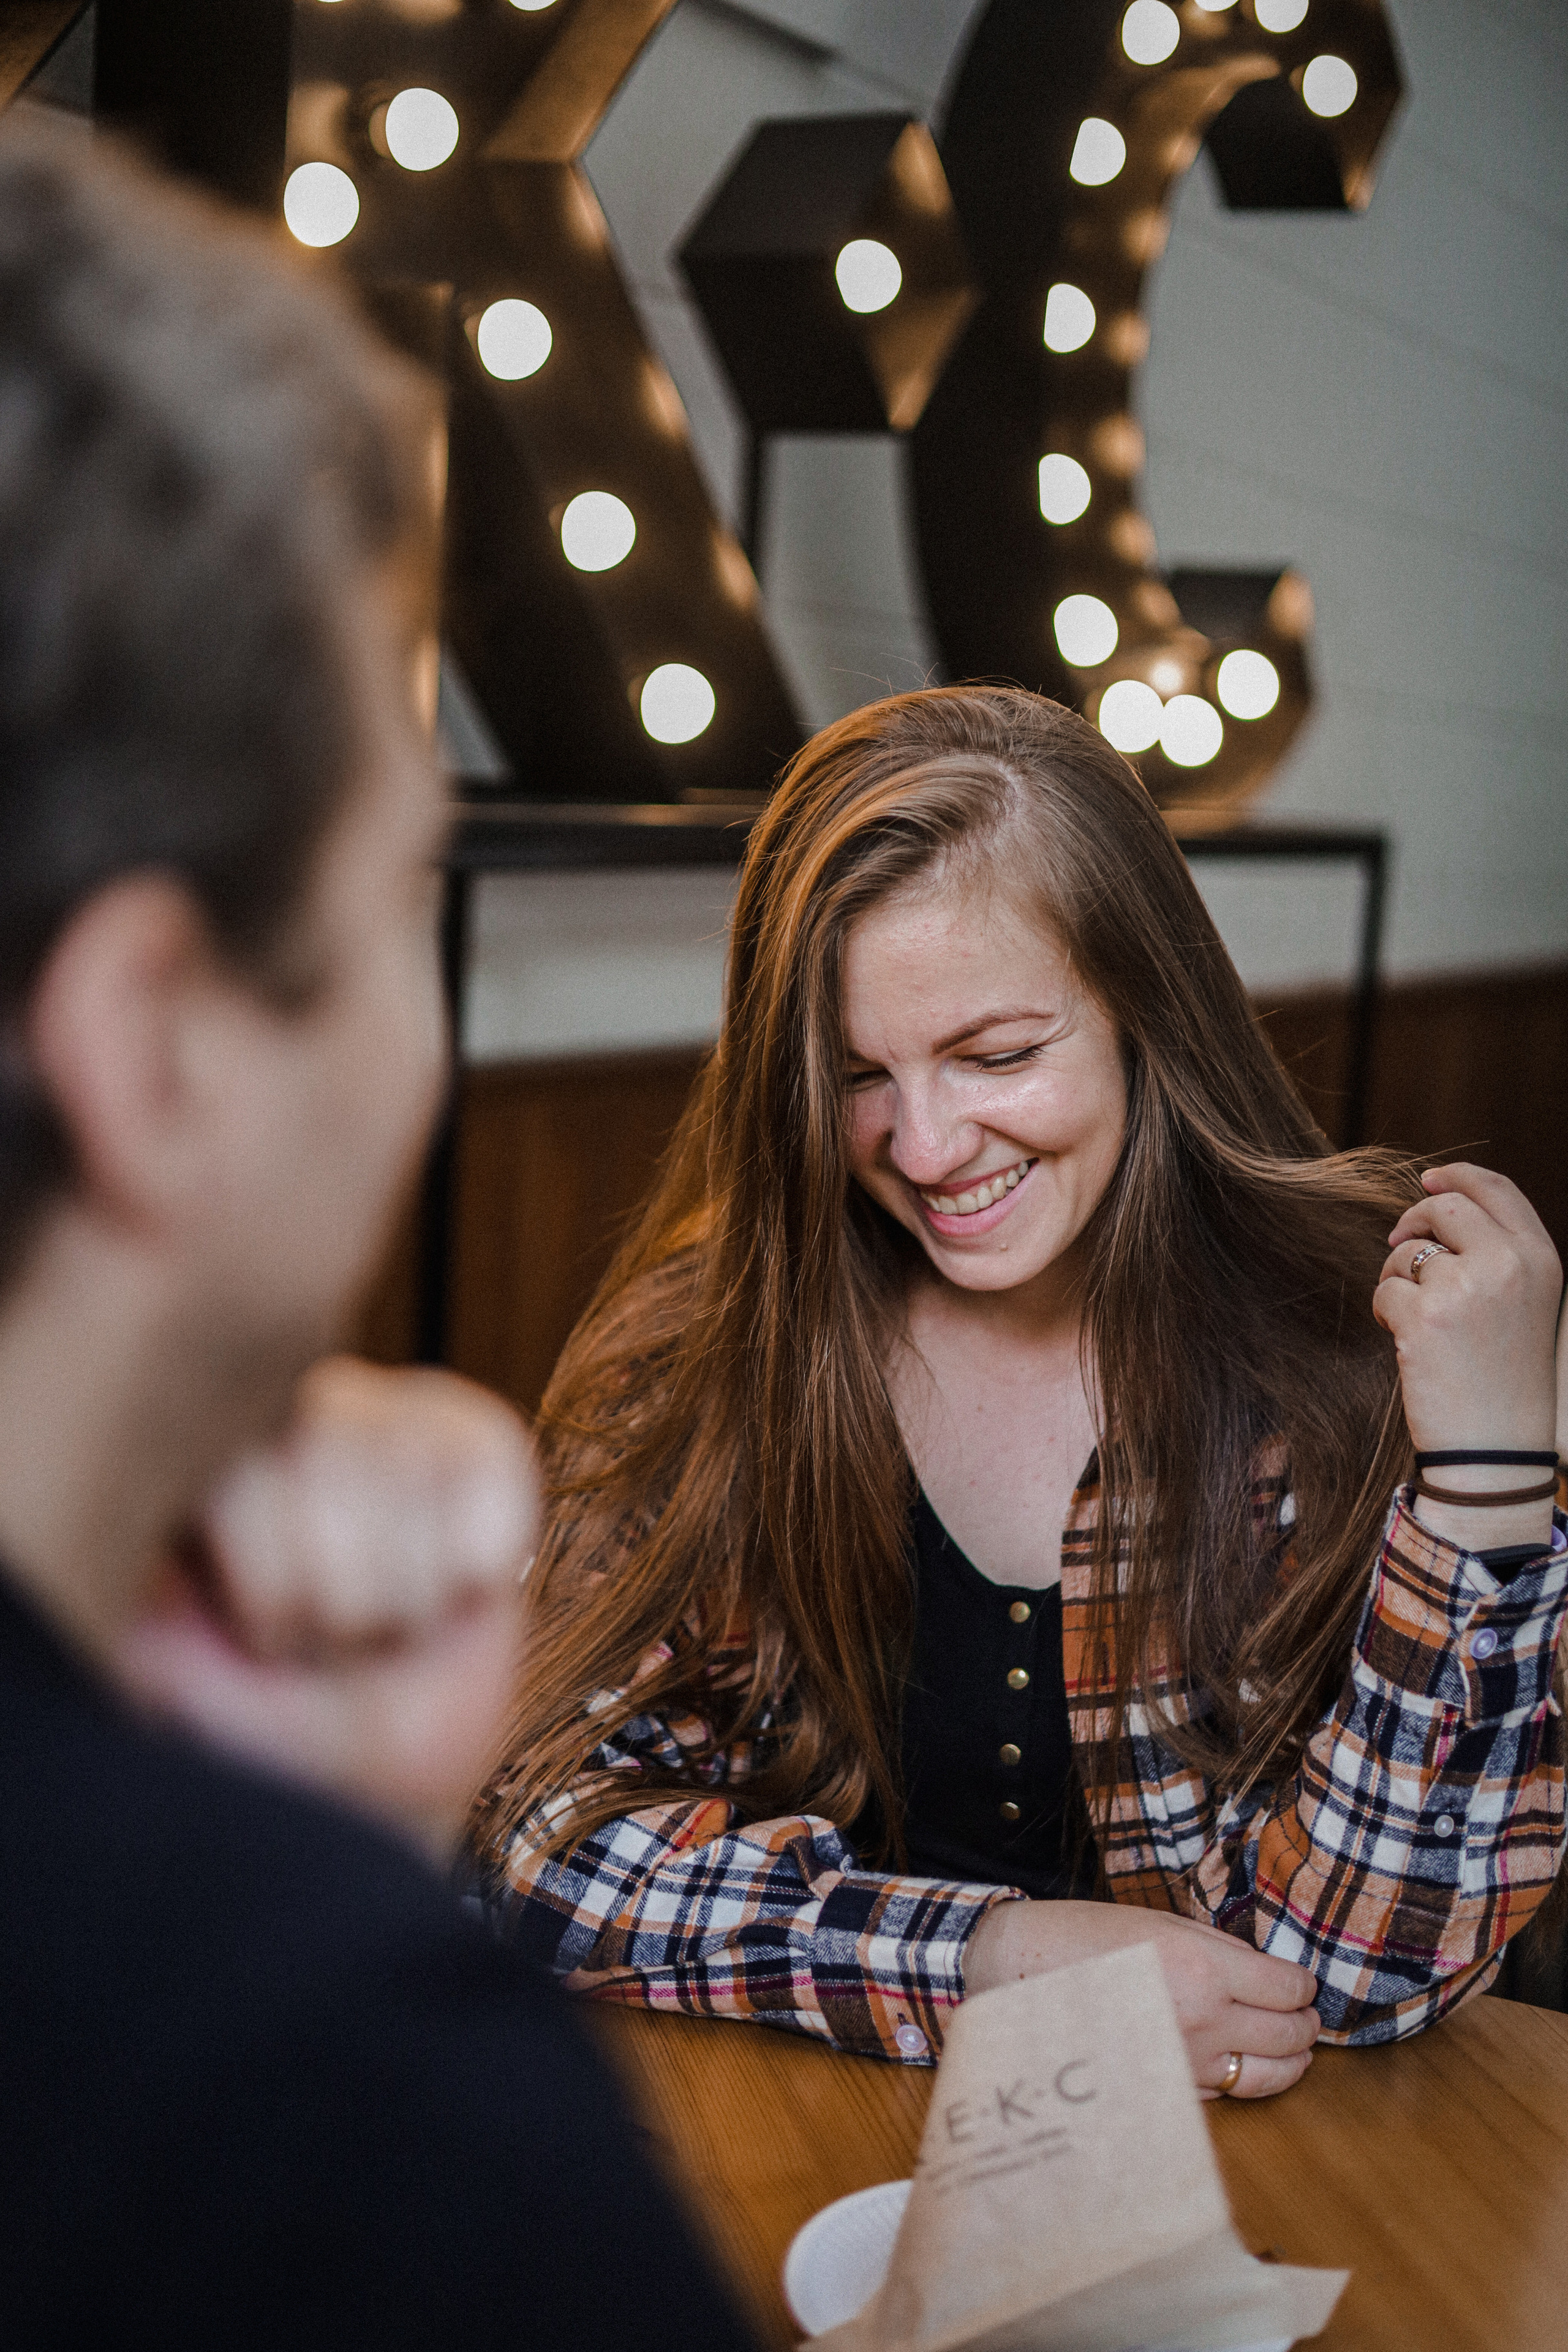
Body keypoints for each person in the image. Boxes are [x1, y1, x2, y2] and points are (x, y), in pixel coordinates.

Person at [0, 118, 753, 2349]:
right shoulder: (346, 2123)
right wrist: (291, 1924)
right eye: (394, 897)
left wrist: (309, 1832)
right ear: (155, 1044)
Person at [473, 684, 1568, 2100]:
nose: (923, 1148)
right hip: (816, 2133)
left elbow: (1353, 1975)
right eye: (857, 1073)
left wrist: (1489, 1481)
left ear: (1144, 1014)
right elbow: (525, 1830)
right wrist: (988, 1963)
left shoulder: (1350, 1356)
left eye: (995, 1057)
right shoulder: (700, 1343)